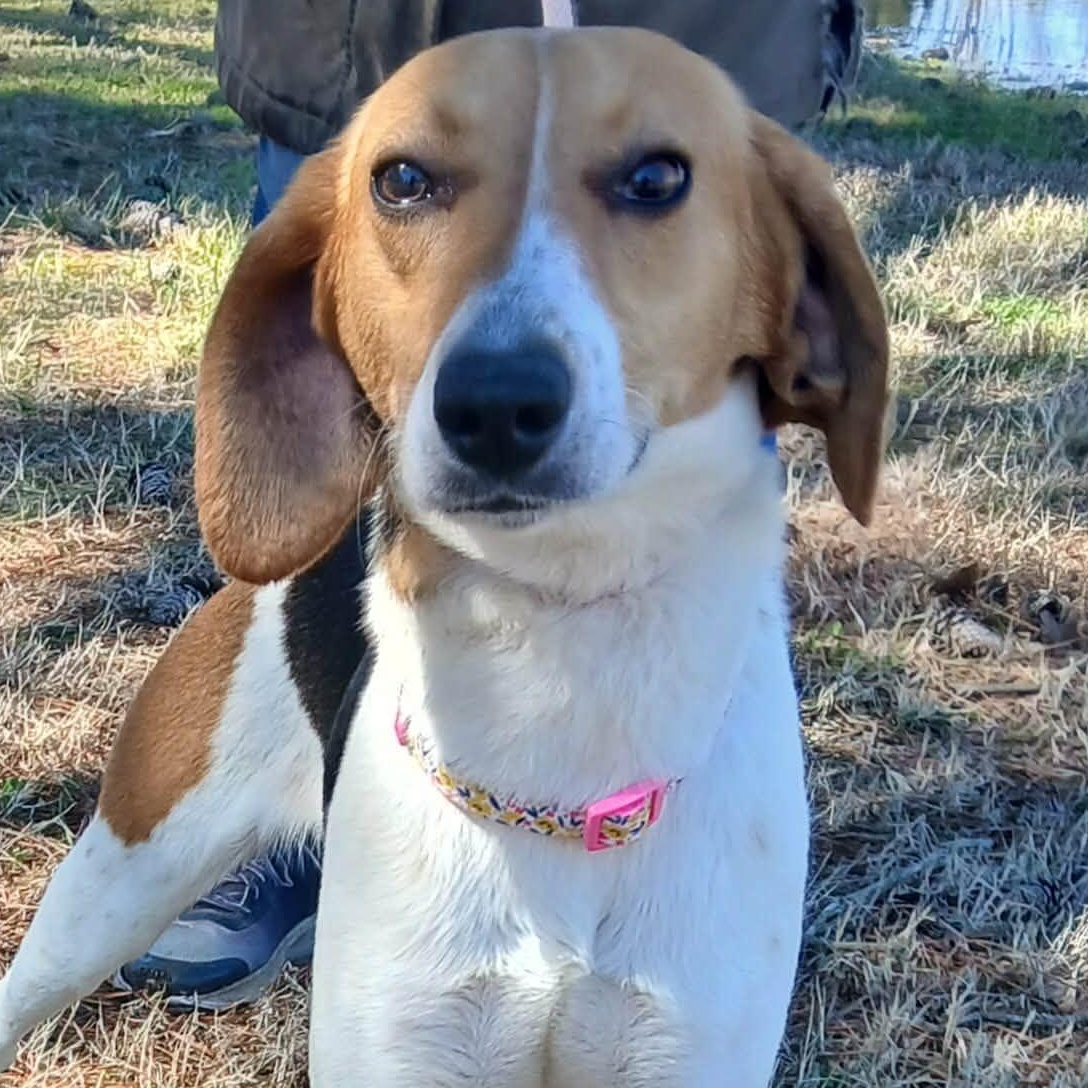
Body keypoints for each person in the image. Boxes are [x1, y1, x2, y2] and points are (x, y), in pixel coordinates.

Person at [118, 0, 863, 1010]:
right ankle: (324, 823)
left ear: (801, 312)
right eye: (411, 185)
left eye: (647, 185)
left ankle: (678, 840)